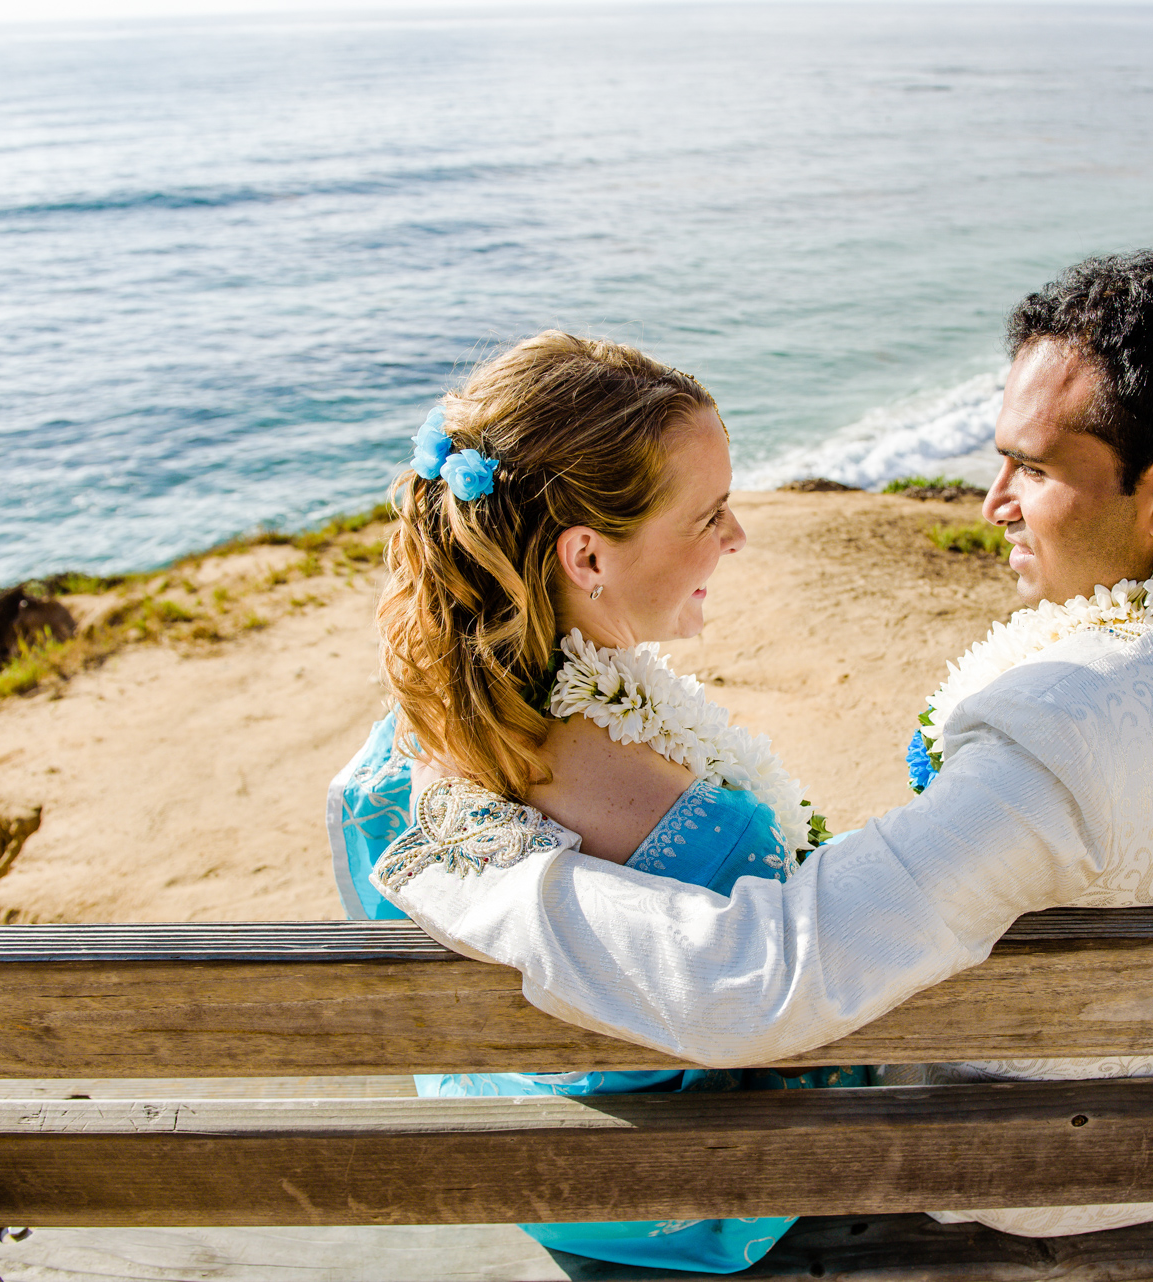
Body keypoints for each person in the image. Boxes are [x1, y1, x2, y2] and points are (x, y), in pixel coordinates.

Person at [369, 252, 1153, 1239]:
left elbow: (766, 980)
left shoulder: (1064, 732)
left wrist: (482, 873)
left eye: (1030, 467)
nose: (991, 503)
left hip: (1054, 1175)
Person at [328, 330, 864, 1274]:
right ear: (586, 557)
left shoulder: (411, 733)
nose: (736, 537)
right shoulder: (718, 842)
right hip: (676, 1202)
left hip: (516, 1153)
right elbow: (798, 1026)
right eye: (709, 516)